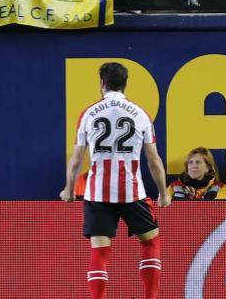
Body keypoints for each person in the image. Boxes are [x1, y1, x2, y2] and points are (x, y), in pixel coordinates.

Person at [60, 62, 171, 299]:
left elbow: (77, 159)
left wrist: (69, 189)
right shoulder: (140, 113)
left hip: (97, 194)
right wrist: (163, 193)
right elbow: (153, 160)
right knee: (150, 242)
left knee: (99, 253)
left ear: (102, 83)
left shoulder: (88, 114)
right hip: (132, 193)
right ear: (125, 84)